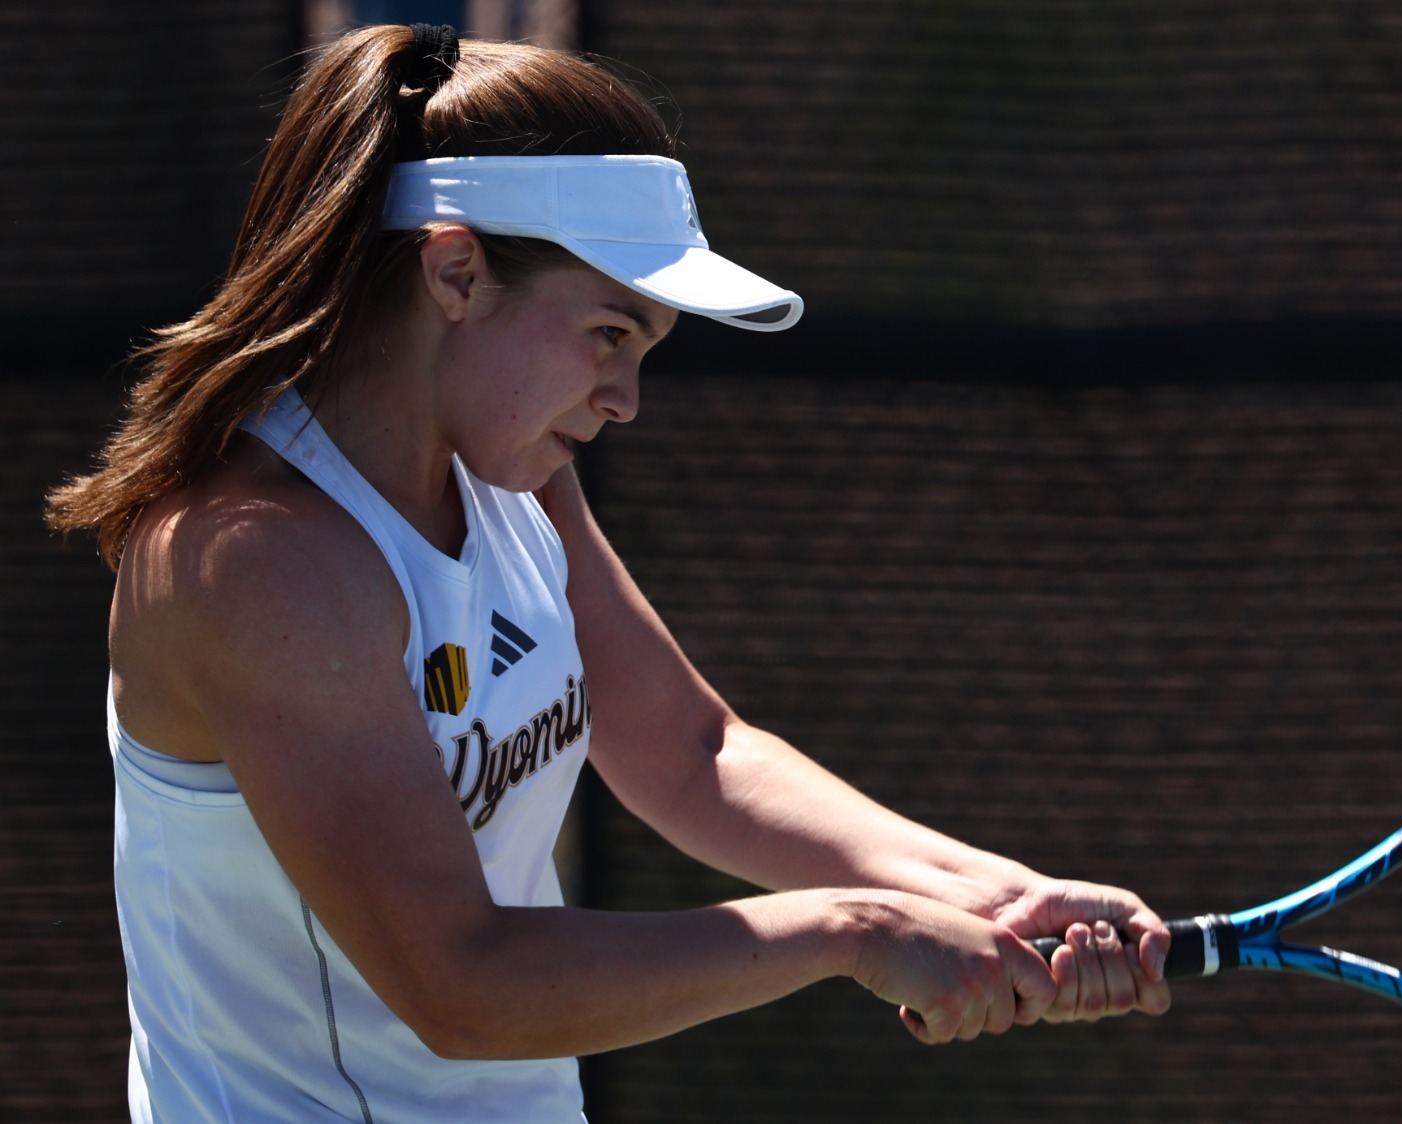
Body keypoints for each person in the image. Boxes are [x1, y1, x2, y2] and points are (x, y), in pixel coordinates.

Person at [46, 25, 1170, 1122]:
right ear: (456, 272)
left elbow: (694, 754)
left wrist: (990, 893)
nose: (624, 399)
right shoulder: (251, 560)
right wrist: (856, 930)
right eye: (609, 333)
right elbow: (464, 985)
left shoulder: (511, 473)